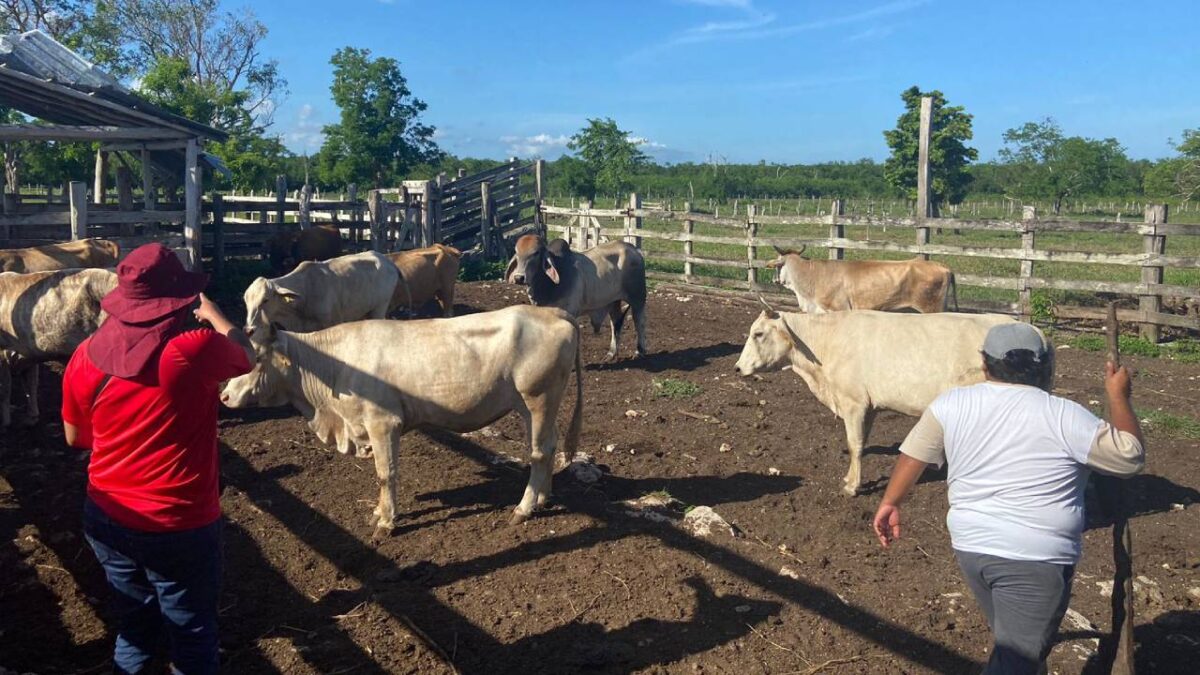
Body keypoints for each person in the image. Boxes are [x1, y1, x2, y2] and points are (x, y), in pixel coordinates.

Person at [872, 322, 1145, 675]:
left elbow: (914, 454)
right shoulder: (1063, 414)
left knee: (1021, 644)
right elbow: (1130, 457)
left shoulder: (952, 403)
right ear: (1046, 366)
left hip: (972, 548)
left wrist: (891, 501)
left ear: (985, 364)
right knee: (1015, 658)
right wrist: (1119, 396)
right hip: (1034, 557)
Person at [61, 243, 254, 675]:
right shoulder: (194, 349)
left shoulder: (85, 355)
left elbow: (77, 438)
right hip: (178, 521)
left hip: (107, 514)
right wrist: (218, 317)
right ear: (179, 301)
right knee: (193, 634)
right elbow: (247, 356)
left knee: (134, 626)